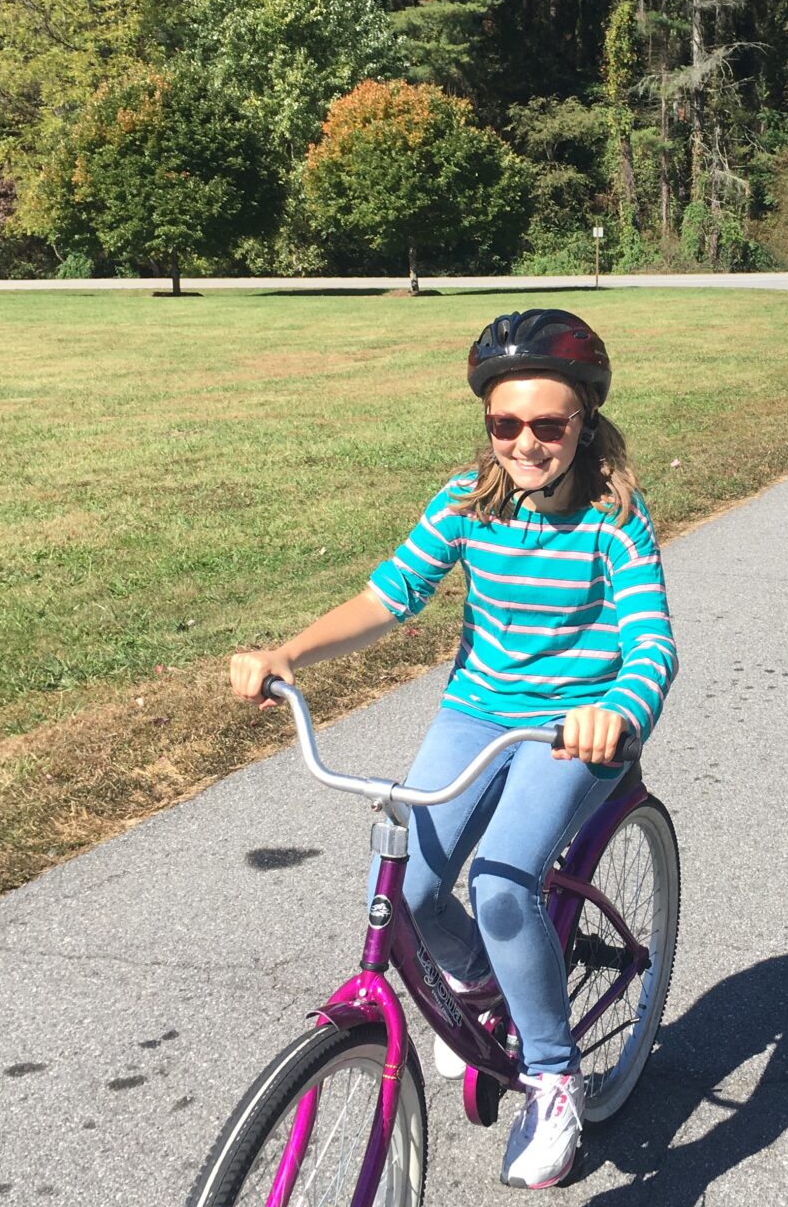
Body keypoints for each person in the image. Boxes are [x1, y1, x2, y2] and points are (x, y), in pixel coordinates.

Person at [229, 308, 677, 1190]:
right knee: (405, 888)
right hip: (478, 710)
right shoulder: (467, 503)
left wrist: (618, 711)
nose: (525, 443)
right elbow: (388, 597)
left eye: (548, 425)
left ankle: (553, 1076)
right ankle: (481, 987)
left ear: (585, 420)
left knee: (503, 880)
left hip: (575, 727)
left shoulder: (614, 519)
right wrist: (289, 653)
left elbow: (651, 641)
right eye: (504, 424)